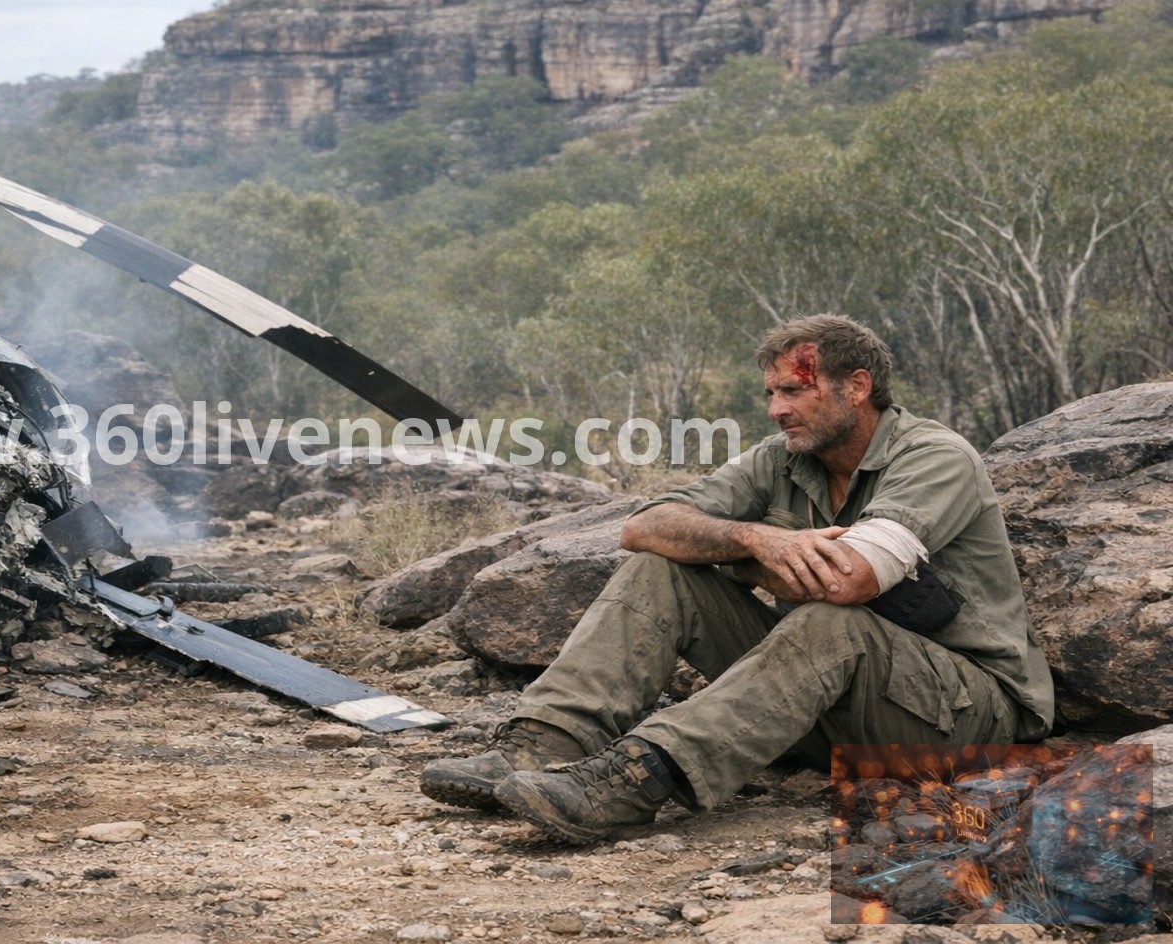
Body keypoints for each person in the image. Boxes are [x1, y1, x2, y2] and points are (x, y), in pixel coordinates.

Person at [419, 314, 1054, 845]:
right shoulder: (782, 460)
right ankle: (541, 745)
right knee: (660, 570)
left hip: (964, 718)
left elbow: (848, 583)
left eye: (794, 391)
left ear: (857, 386)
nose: (777, 409)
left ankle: (633, 780)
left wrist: (742, 563)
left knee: (833, 621)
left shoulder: (933, 455)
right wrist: (755, 538)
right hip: (828, 710)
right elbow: (645, 527)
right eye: (771, 394)